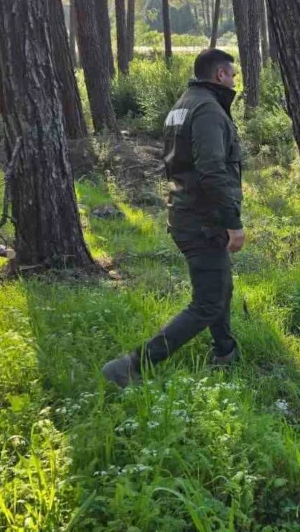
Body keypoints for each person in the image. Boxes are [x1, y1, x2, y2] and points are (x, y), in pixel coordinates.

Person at [103, 49, 245, 388]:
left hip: (186, 212)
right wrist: (233, 222)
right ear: (220, 74)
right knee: (207, 303)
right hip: (202, 219)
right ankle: (130, 366)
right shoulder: (208, 110)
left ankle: (225, 352)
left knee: (220, 288)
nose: (235, 81)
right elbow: (211, 170)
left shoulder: (183, 104)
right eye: (233, 74)